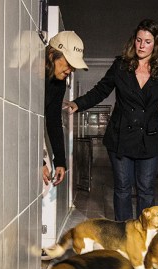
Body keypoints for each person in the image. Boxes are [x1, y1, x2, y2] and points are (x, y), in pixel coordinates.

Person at [67, 19, 158, 221]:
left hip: (149, 137)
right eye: (139, 40)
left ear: (156, 44)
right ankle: (124, 233)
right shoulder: (121, 65)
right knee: (122, 187)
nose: (142, 46)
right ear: (134, 41)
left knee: (146, 189)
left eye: (147, 41)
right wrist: (78, 104)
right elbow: (101, 90)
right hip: (121, 136)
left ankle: (145, 234)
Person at [43, 31, 89, 186]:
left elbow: (54, 120)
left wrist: (60, 161)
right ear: (51, 55)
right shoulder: (31, 74)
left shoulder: (59, 82)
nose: (70, 70)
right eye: (68, 63)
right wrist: (39, 162)